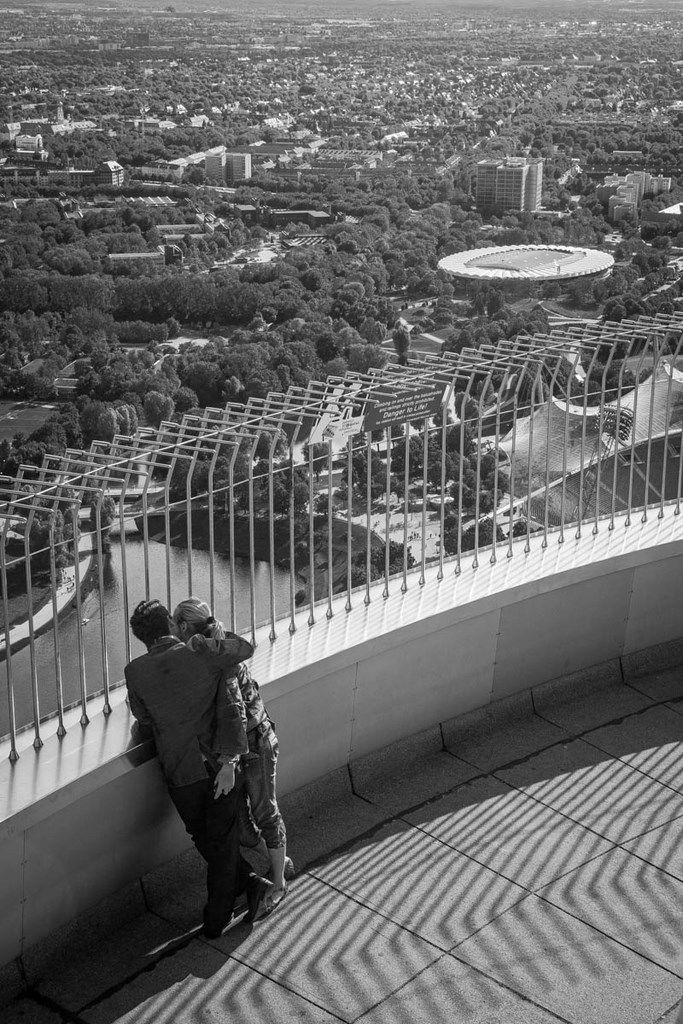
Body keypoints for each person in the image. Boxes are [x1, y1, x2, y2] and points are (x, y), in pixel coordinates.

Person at [124, 599, 273, 938]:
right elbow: (244, 649)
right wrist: (207, 633)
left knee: (204, 837)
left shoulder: (135, 672)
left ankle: (219, 913)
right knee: (218, 839)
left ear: (140, 638)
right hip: (221, 764)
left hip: (181, 771)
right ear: (171, 624)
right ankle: (245, 891)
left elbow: (143, 716)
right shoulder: (201, 652)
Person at [173, 597, 291, 909]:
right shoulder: (215, 648)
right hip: (241, 747)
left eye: (175, 624)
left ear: (183, 626)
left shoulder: (213, 656)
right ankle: (279, 860)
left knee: (265, 812)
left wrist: (229, 763)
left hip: (251, 745)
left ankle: (279, 883)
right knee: (241, 821)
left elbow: (234, 712)